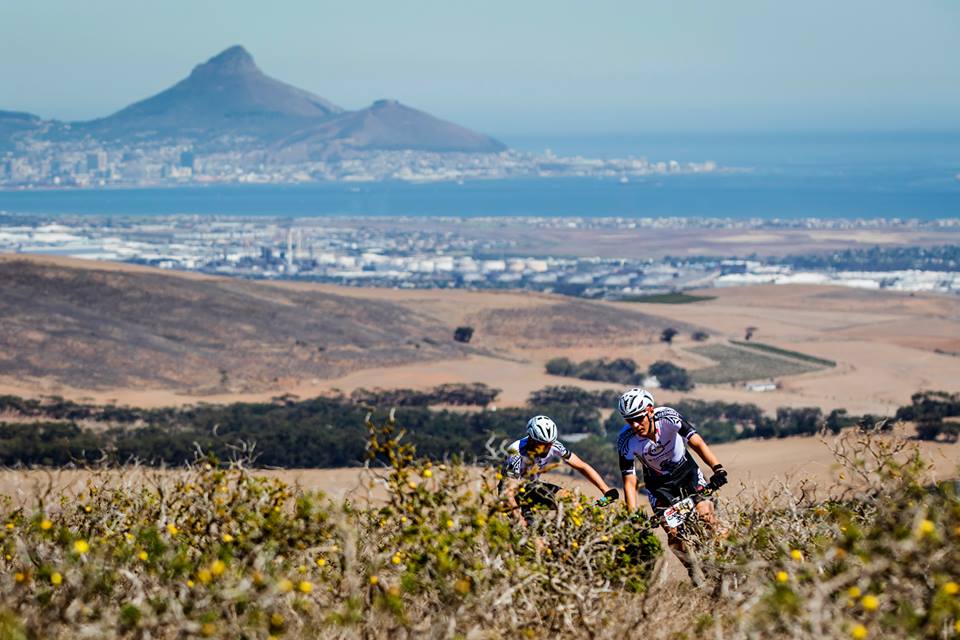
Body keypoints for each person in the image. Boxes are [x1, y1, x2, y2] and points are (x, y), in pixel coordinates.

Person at [615, 388, 728, 565]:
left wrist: (717, 468)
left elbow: (696, 442)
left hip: (687, 474)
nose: (635, 425)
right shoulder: (626, 440)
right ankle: (694, 570)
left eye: (638, 418)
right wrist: (632, 514)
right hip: (659, 487)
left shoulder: (668, 417)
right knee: (674, 535)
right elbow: (629, 481)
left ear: (650, 410)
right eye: (630, 421)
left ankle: (734, 554)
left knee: (707, 517)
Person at [499, 415, 618, 525]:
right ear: (531, 439)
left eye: (549, 444)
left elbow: (581, 466)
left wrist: (606, 490)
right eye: (542, 444)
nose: (546, 448)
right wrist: (519, 519)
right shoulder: (515, 452)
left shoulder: (555, 445)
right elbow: (508, 492)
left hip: (531, 487)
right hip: (511, 493)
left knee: (571, 501)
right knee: (527, 528)